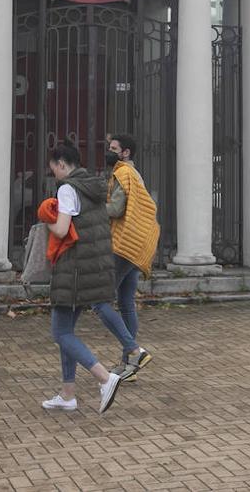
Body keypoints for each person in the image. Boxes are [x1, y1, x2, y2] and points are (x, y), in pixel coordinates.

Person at [41, 143, 137, 414]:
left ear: (61, 164)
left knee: (60, 332)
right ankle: (68, 394)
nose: (54, 175)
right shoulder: (93, 186)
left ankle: (105, 379)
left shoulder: (68, 188)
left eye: (54, 169)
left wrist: (43, 218)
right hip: (92, 269)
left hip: (73, 270)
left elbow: (60, 230)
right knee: (66, 333)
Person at [105, 133, 160, 381]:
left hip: (123, 245)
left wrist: (91, 206)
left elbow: (116, 209)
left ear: (125, 152)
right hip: (136, 245)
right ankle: (129, 367)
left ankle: (134, 351)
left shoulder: (122, 174)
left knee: (101, 300)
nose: (109, 150)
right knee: (126, 302)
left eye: (113, 148)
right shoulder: (135, 174)